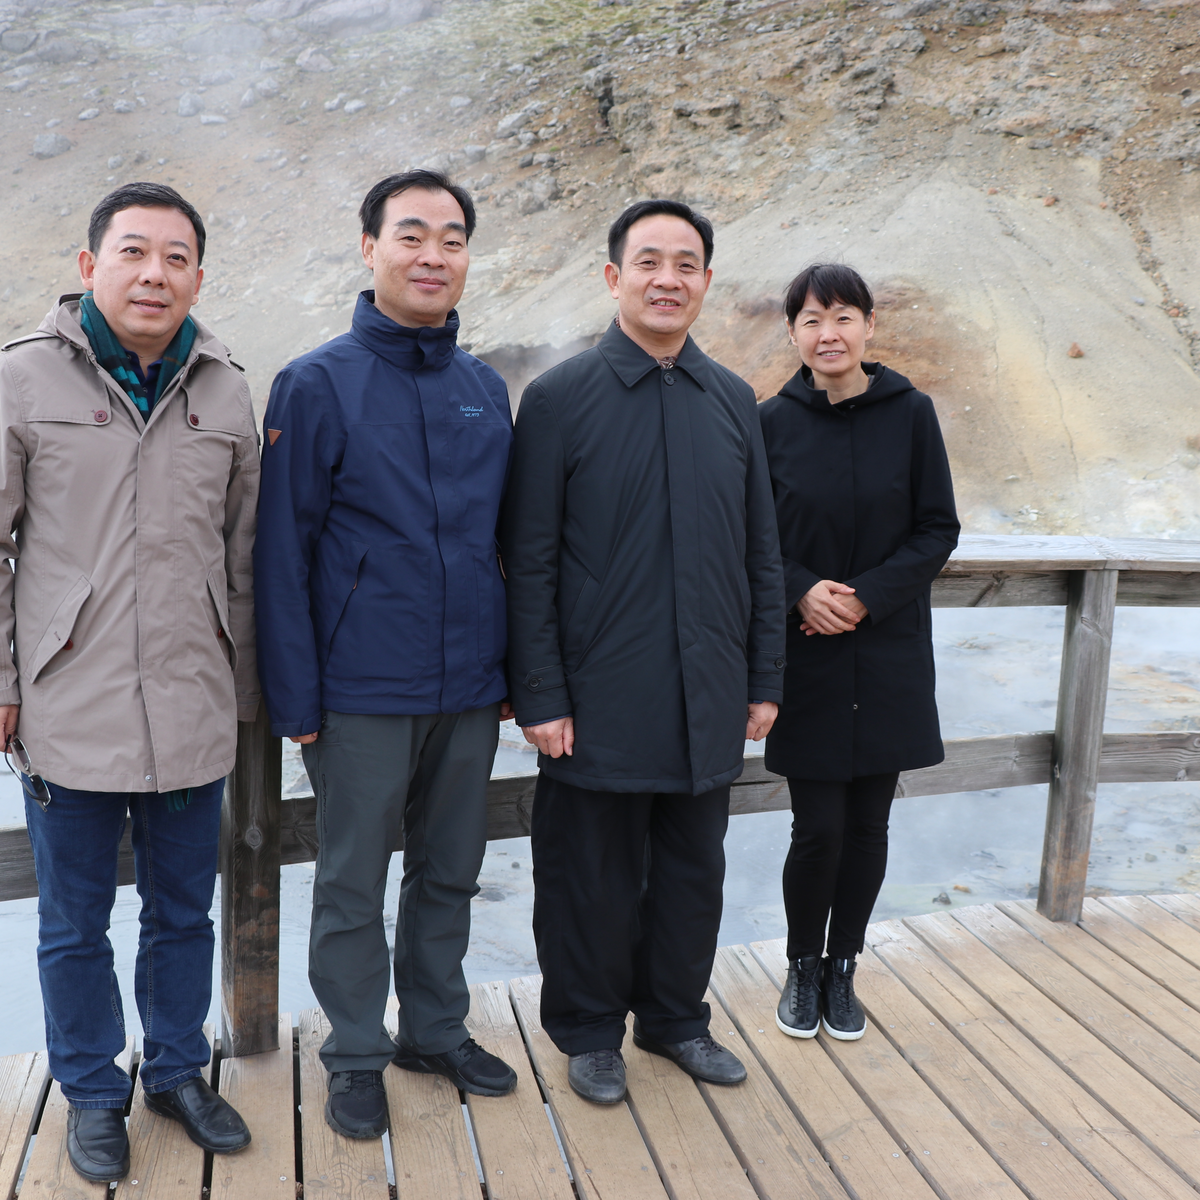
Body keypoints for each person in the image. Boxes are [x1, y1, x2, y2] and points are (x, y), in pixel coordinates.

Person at [0, 183, 259, 1182]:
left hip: (193, 706)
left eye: (176, 257)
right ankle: (93, 1091)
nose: (155, 274)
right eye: (134, 252)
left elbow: (244, 558)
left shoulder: (224, 388)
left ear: (199, 274)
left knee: (184, 912)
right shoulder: (22, 378)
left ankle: (178, 1072)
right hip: (69, 705)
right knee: (73, 923)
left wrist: (249, 690)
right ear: (89, 266)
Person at [501, 199, 786, 1105]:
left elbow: (761, 553)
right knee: (589, 876)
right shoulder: (560, 398)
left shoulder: (732, 398)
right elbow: (528, 558)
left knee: (693, 872)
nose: (669, 279)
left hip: (709, 689)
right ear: (614, 277)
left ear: (706, 280)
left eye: (686, 264)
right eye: (650, 262)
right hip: (597, 696)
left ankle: (675, 1019)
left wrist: (765, 677)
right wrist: (541, 691)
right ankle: (589, 1032)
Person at [254, 169, 517, 1141]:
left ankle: (435, 1030)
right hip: (361, 687)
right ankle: (357, 1054)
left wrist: (511, 672)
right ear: (370, 248)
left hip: (469, 686)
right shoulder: (316, 384)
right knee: (352, 881)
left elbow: (506, 543)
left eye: (451, 239)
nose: (432, 255)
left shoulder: (483, 388)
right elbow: (282, 554)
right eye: (411, 235)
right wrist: (296, 700)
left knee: (451, 870)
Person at [758, 262, 959, 1041]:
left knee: (869, 825)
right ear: (793, 333)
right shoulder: (770, 423)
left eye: (842, 316)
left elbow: (937, 528)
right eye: (811, 319)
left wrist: (867, 596)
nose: (828, 332)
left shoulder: (911, 414)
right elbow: (752, 537)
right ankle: (801, 967)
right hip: (806, 652)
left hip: (886, 650)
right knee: (817, 829)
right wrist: (801, 590)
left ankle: (844, 968)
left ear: (869, 326)